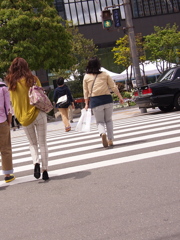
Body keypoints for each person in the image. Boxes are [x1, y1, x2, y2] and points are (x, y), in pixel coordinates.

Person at [5, 57, 49, 181]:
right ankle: (45, 170)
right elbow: (41, 95)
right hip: (38, 113)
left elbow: (13, 102)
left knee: (32, 143)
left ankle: (36, 163)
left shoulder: (11, 83)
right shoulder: (33, 79)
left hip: (24, 118)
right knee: (43, 143)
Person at [83, 57, 124, 148]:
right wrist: (120, 97)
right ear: (98, 65)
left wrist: (86, 104)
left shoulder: (86, 77)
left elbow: (85, 91)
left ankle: (102, 133)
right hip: (107, 99)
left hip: (95, 101)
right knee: (109, 120)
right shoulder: (105, 74)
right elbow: (113, 87)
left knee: (100, 122)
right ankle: (110, 139)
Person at [0, 80, 15, 183]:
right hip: (2, 121)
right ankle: (8, 175)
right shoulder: (3, 88)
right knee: (5, 148)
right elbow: (8, 107)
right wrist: (9, 120)